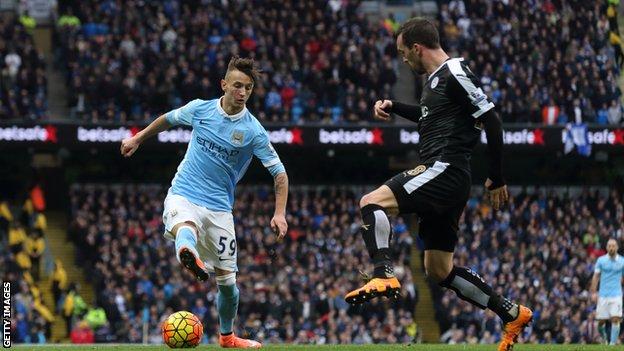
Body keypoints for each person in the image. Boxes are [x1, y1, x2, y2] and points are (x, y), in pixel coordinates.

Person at [344, 18, 532, 350]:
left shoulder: (455, 72)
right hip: (449, 179)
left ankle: (383, 272)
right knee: (438, 269)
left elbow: (491, 117)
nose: (403, 59)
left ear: (417, 48)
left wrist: (497, 176)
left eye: (404, 53)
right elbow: (430, 115)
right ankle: (511, 312)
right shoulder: (435, 82)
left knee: (370, 202)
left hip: (444, 169)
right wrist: (395, 106)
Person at [120, 56, 289, 349]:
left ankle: (227, 337)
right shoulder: (200, 109)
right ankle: (188, 250)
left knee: (229, 285)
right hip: (184, 192)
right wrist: (138, 138)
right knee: (185, 225)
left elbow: (279, 173)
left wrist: (280, 213)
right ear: (223, 84)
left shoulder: (253, 131)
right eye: (237, 85)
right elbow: (168, 119)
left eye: (248, 88)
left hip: (220, 209)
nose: (242, 92)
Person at [590, 239, 624, 345]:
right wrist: (593, 292)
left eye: (613, 246)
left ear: (617, 247)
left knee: (615, 318)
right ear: (606, 247)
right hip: (603, 295)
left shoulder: (622, 261)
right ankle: (604, 337)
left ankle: (612, 345)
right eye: (609, 246)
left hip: (616, 295)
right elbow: (596, 277)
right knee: (601, 322)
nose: (611, 248)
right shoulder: (601, 260)